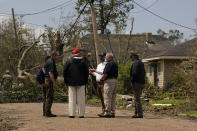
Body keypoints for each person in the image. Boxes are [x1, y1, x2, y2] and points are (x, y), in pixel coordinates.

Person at [63, 49, 89, 118]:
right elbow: (87, 73)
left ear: (72, 54)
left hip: (71, 83)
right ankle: (81, 114)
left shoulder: (68, 62)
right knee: (81, 99)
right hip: (81, 82)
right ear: (78, 53)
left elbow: (64, 72)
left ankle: (71, 114)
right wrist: (86, 82)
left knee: (72, 99)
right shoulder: (83, 62)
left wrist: (66, 81)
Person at [99, 53, 118, 118]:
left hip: (109, 81)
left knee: (107, 96)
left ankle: (107, 112)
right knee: (113, 97)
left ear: (109, 57)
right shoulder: (115, 64)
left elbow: (105, 73)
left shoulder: (109, 64)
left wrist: (101, 79)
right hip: (115, 80)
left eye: (106, 57)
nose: (105, 58)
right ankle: (112, 112)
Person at [43, 51, 59, 117]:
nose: (58, 57)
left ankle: (45, 112)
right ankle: (47, 113)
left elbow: (43, 68)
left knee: (47, 96)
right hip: (50, 81)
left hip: (47, 79)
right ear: (54, 55)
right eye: (57, 55)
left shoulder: (48, 60)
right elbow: (50, 73)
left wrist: (45, 75)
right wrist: (54, 83)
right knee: (49, 96)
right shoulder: (51, 62)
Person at [130, 52, 145, 118]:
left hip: (137, 83)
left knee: (137, 99)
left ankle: (139, 113)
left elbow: (134, 73)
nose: (130, 58)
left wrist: (132, 81)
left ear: (134, 57)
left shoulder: (136, 63)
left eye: (131, 57)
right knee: (137, 98)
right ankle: (136, 113)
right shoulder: (141, 63)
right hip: (142, 82)